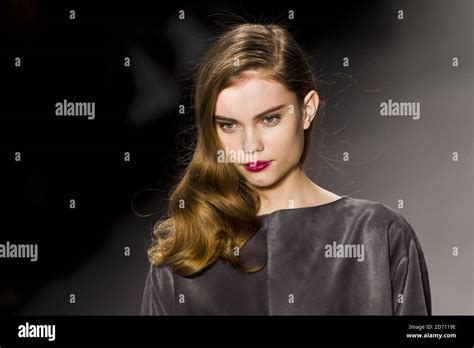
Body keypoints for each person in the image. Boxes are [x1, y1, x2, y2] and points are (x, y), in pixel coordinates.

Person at [140, 23, 431, 315]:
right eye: (229, 125)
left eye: (269, 119)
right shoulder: (182, 257)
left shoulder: (378, 235)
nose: (250, 145)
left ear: (307, 110)